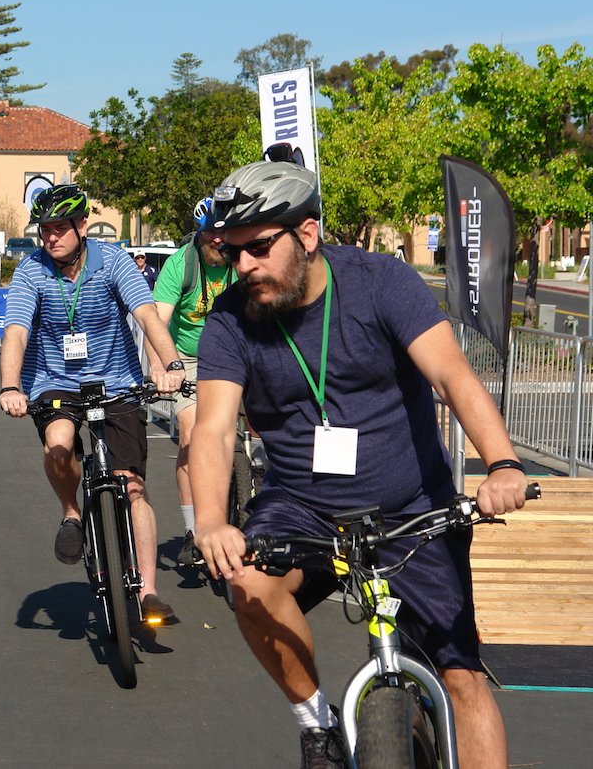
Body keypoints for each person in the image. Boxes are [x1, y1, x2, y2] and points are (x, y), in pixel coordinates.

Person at [189, 160, 530, 769]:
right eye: (232, 252)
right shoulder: (230, 320)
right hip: (303, 505)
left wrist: (501, 464)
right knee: (247, 580)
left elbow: (452, 375)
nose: (244, 267)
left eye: (259, 248)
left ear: (308, 234)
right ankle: (317, 726)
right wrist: (213, 519)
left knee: (462, 678)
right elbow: (213, 431)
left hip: (411, 502)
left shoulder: (382, 282)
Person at [0, 184, 186, 626]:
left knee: (133, 487)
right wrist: (10, 386)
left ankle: (149, 592)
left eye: (60, 228)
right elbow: (17, 333)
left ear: (83, 226)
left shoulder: (114, 260)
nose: (51, 237)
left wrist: (170, 365)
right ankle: (71, 512)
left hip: (116, 381)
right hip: (53, 382)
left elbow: (145, 314)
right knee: (59, 443)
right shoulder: (30, 272)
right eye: (45, 229)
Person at [152, 197, 235, 566]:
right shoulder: (179, 265)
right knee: (191, 435)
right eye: (211, 235)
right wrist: (162, 369)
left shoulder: (242, 260)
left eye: (224, 234)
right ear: (200, 235)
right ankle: (192, 530)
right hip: (187, 358)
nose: (219, 242)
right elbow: (158, 321)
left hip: (234, 353)